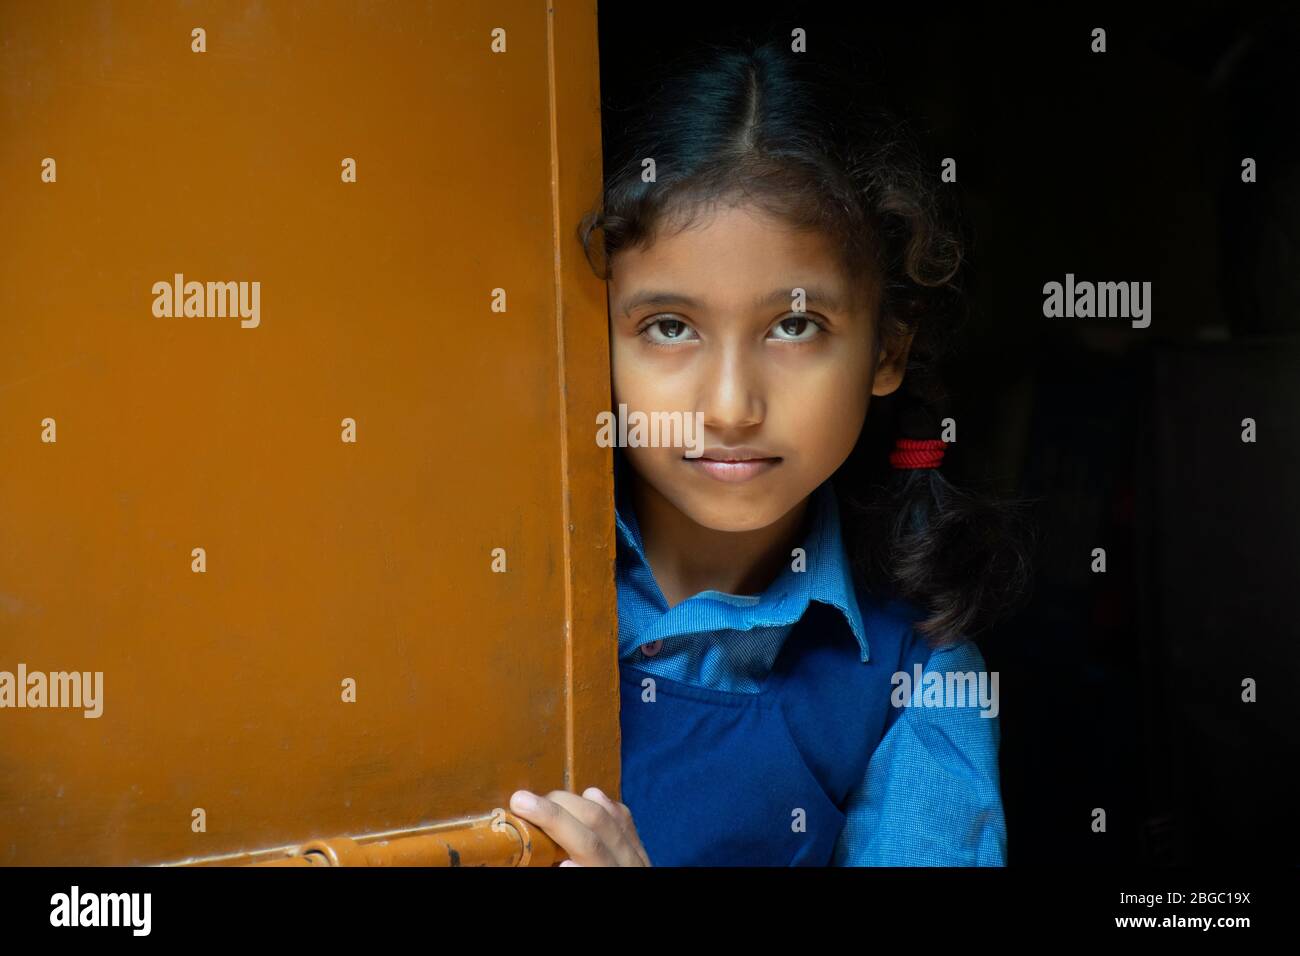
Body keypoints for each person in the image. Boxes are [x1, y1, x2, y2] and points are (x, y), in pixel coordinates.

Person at [509, 36, 1033, 866]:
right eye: (668, 327)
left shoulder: (917, 676)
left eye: (795, 326)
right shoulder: (492, 598)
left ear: (888, 348)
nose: (729, 407)